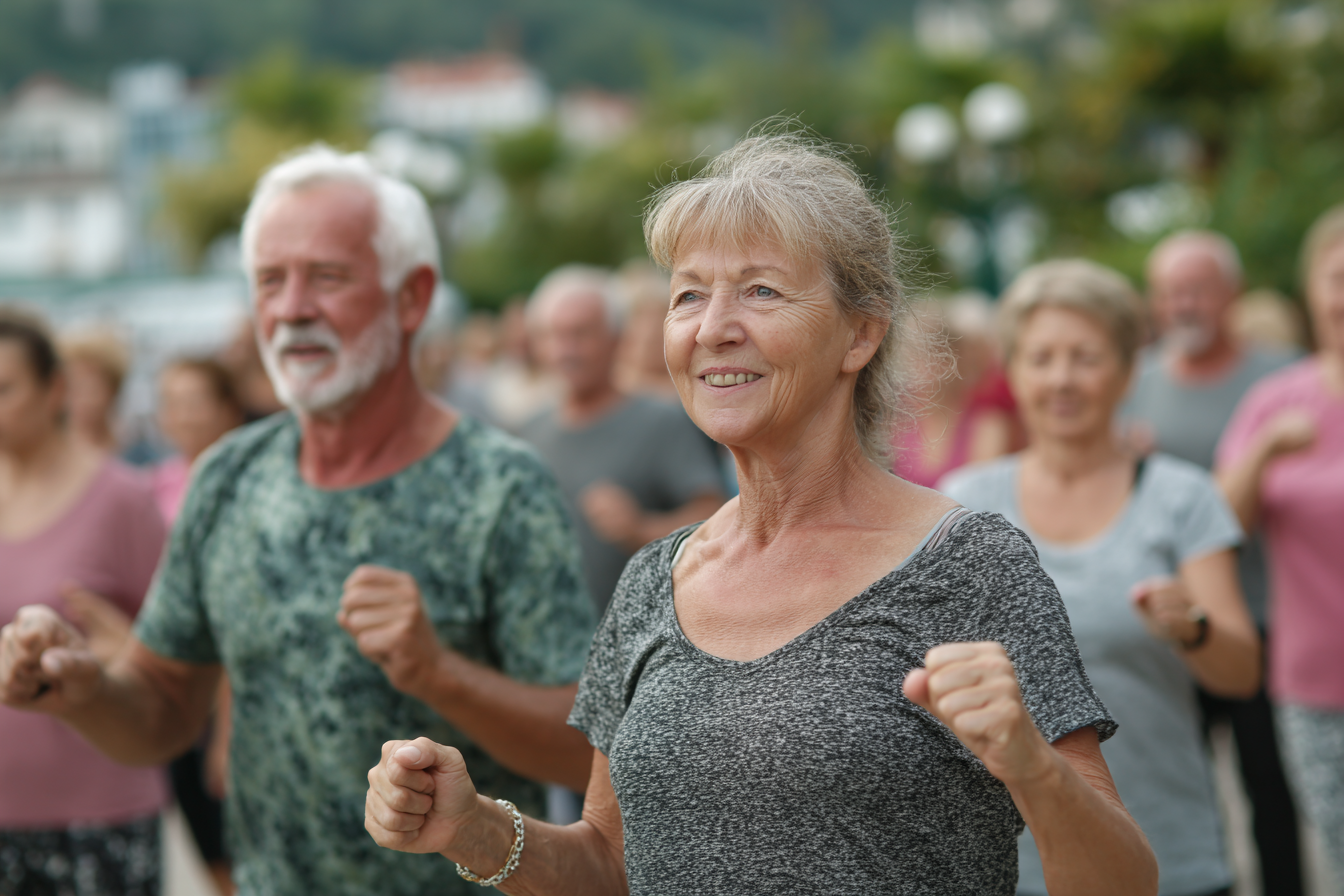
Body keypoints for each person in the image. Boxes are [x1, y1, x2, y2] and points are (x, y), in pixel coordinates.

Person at [364, 134, 1158, 896]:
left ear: (861, 333)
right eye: (688, 295)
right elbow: (609, 866)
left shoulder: (969, 563)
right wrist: (471, 829)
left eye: (761, 291)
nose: (713, 328)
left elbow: (1126, 884)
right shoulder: (653, 581)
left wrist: (1033, 767)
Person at [0, 146, 597, 896]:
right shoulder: (228, 478)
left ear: (412, 297)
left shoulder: (500, 485)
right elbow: (162, 711)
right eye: (269, 281)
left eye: (328, 277)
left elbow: (585, 753)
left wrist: (438, 674)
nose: (291, 309)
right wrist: (83, 691)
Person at [941, 259, 1262, 896]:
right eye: (1041, 358)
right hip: (1005, 866)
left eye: (1085, 357)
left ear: (1127, 370)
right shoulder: (964, 505)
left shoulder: (1182, 497)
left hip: (1168, 854)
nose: (1061, 379)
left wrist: (1192, 627)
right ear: (1014, 370)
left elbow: (1241, 673)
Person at [1121, 231, 1303, 896]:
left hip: (1266, 614)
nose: (1182, 305)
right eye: (1169, 293)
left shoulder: (1282, 378)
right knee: (1184, 787)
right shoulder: (1134, 382)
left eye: (1196, 290)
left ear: (1231, 294)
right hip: (1167, 621)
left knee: (1272, 791)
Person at [0, 307, 168, 896]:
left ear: (55, 390)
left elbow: (184, 655)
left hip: (99, 811)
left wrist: (128, 653)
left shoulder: (121, 499)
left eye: (4, 389)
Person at [1216, 204, 1344, 883]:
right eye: (1339, 278)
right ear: (1311, 291)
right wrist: (1264, 449)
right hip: (1315, 684)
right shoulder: (1275, 402)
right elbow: (1220, 526)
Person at [520, 264, 725, 614]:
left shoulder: (662, 422)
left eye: (580, 334)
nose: (565, 350)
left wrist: (640, 528)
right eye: (553, 335)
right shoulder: (528, 431)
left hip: (643, 633)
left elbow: (716, 520)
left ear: (616, 338)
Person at [891, 297, 1015, 487]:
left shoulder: (987, 422)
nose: (919, 366)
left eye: (930, 354)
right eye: (912, 354)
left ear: (953, 358)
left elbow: (982, 492)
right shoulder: (895, 421)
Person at [60, 327, 131, 453]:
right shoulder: (47, 452)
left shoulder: (135, 453)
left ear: (113, 390)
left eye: (89, 388)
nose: (78, 398)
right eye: (70, 387)